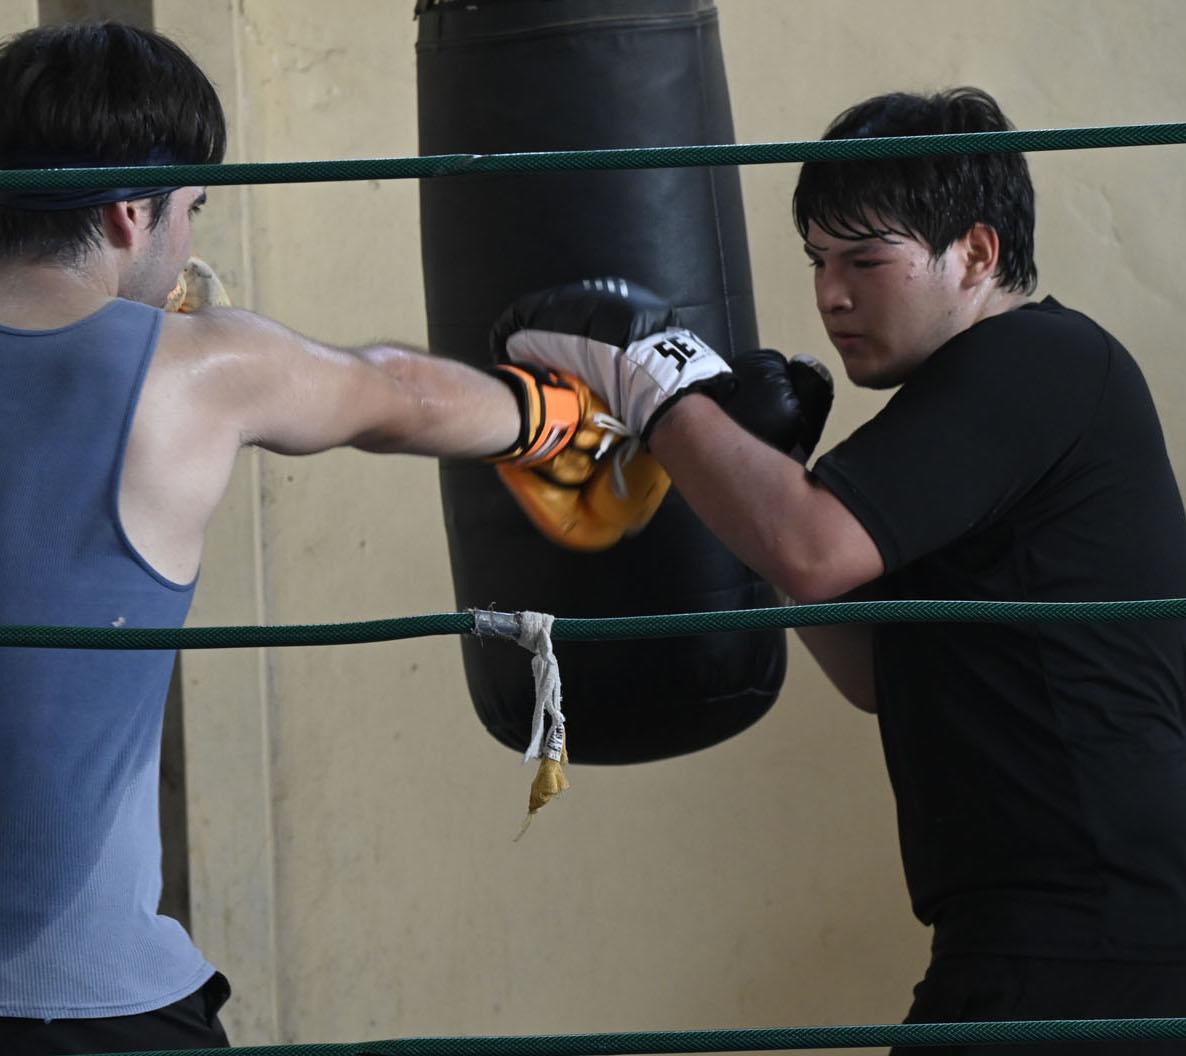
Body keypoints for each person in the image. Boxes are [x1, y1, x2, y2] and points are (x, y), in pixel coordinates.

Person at [0, 21, 622, 1055]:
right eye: (190, 211)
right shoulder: (200, 367)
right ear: (134, 212)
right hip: (76, 1008)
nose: (190, 241)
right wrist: (563, 416)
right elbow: (395, 393)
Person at [500, 88, 1186, 1053]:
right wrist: (758, 477)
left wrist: (654, 381)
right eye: (819, 261)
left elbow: (812, 548)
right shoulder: (966, 415)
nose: (831, 293)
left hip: (1098, 926)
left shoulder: (1039, 359)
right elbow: (878, 674)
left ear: (977, 254)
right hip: (1030, 923)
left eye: (866, 260)